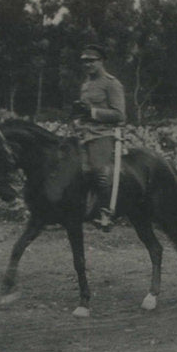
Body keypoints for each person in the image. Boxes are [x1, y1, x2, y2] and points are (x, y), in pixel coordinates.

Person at [71, 44, 126, 231]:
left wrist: (93, 112)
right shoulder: (86, 85)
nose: (87, 65)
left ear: (101, 61)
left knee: (98, 171)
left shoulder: (111, 83)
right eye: (84, 62)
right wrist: (78, 118)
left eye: (91, 61)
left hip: (104, 134)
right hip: (84, 133)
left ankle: (106, 213)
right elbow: (83, 113)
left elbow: (120, 115)